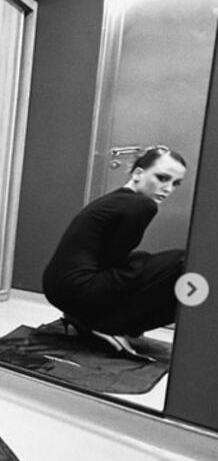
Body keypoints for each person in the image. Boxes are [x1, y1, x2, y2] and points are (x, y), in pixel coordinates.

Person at [42, 145, 187, 354]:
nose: (168, 189)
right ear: (138, 174)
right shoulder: (143, 206)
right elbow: (112, 260)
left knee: (148, 264)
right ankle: (109, 326)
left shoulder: (118, 198)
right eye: (162, 178)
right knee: (185, 264)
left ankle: (88, 318)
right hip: (78, 289)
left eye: (175, 183)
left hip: (57, 286)